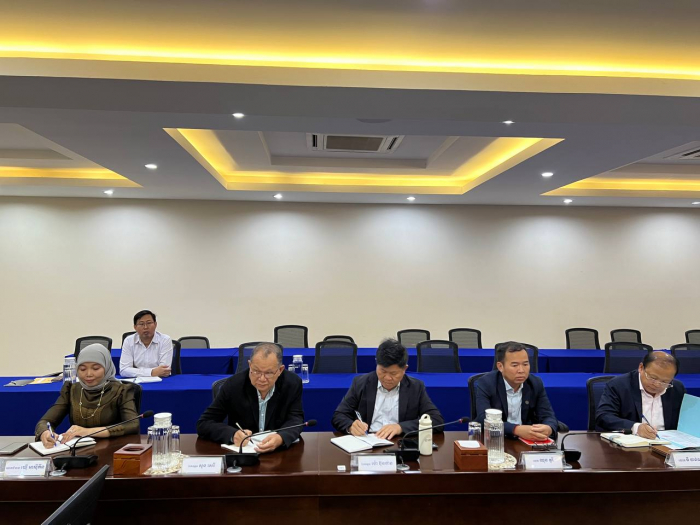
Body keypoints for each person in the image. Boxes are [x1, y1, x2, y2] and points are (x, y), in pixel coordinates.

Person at [197, 343, 304, 453]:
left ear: (280, 370)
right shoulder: (234, 385)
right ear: (249, 365)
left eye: (268, 373)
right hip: (243, 455)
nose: (262, 379)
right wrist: (232, 434)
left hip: (279, 454)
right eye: (256, 371)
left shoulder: (292, 383)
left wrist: (281, 437)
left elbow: (296, 419)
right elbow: (204, 423)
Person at [332, 338, 443, 439]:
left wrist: (400, 427)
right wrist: (351, 426)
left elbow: (436, 420)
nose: (387, 378)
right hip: (367, 442)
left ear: (404, 369)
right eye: (383, 371)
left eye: (393, 373)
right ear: (376, 364)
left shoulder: (415, 387)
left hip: (399, 443)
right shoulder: (361, 383)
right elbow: (339, 415)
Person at [36, 344, 139, 447]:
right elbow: (45, 421)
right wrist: (45, 432)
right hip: (78, 449)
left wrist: (87, 432)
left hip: (113, 448)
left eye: (96, 368)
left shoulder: (121, 391)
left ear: (107, 367)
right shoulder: (72, 390)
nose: (89, 374)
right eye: (82, 369)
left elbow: (133, 425)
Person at [475, 341, 559, 440]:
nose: (521, 370)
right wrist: (516, 429)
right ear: (500, 366)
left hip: (528, 441)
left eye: (525, 364)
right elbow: (483, 419)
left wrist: (548, 428)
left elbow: (548, 415)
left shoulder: (535, 383)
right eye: (515, 365)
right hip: (496, 440)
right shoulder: (486, 383)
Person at [596, 351, 686, 437]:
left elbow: (685, 421)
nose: (657, 384)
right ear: (641, 368)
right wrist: (636, 427)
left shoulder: (677, 389)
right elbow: (604, 416)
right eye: (653, 378)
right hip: (631, 442)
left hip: (667, 443)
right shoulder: (619, 385)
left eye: (664, 381)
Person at [120, 309, 173, 378]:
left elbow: (164, 370)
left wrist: (136, 372)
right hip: (136, 381)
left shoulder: (165, 340)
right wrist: (152, 372)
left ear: (155, 324)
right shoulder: (129, 341)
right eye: (141, 324)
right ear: (135, 327)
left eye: (149, 323)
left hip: (160, 380)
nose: (145, 327)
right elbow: (124, 370)